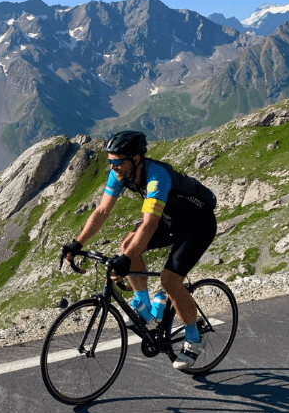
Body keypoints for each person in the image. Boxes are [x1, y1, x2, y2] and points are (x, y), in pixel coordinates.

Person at [62, 130, 217, 369]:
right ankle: (146, 308)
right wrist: (78, 242)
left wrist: (126, 259)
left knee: (170, 281)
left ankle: (194, 339)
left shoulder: (157, 177)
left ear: (135, 158)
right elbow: (102, 211)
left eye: (117, 161)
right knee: (128, 245)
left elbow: (149, 223)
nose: (112, 167)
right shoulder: (120, 174)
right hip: (172, 221)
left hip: (198, 225)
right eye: (109, 161)